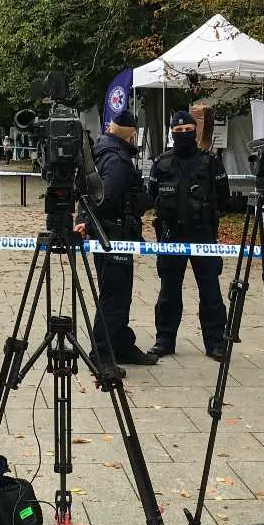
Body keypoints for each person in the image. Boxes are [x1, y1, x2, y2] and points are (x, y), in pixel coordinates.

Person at [75, 111, 158, 369]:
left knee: (119, 293)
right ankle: (102, 352)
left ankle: (120, 343)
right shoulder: (117, 160)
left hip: (110, 233)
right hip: (113, 234)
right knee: (115, 295)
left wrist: (84, 221)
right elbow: (105, 197)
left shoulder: (100, 152)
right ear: (131, 134)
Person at [147, 107, 231, 360]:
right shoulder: (161, 164)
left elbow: (224, 197)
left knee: (210, 291)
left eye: (188, 130)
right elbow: (152, 197)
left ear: (195, 130)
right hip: (172, 234)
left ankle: (215, 342)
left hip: (203, 234)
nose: (184, 133)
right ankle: (164, 340)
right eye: (178, 130)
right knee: (168, 291)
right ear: (172, 132)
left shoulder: (210, 162)